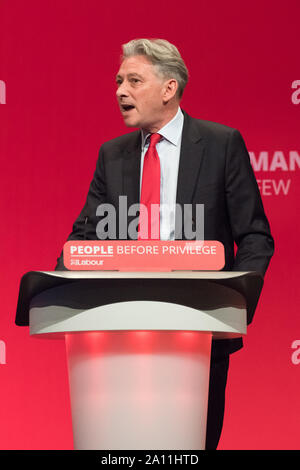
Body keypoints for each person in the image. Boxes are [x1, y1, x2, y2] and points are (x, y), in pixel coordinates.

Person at [55, 38, 274, 449]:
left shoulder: (221, 144)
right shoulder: (112, 155)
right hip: (118, 331)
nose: (121, 90)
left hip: (199, 331)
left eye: (134, 80)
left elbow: (255, 238)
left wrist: (233, 304)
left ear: (169, 88)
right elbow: (84, 238)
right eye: (119, 80)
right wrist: (58, 289)